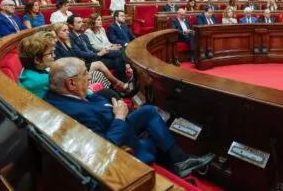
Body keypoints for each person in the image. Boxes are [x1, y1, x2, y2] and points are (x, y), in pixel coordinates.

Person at [44, 57, 214, 175]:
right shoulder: (74, 113)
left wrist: (112, 105)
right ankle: (173, 164)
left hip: (113, 121)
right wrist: (118, 116)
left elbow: (92, 97)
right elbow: (105, 147)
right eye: (84, 73)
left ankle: (180, 160)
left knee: (149, 111)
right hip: (121, 147)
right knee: (154, 138)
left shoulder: (61, 94)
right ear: (71, 83)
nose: (89, 76)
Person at [52, 22, 127, 91]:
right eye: (64, 30)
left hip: (78, 65)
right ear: (57, 32)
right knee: (100, 64)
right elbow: (62, 64)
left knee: (117, 55)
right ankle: (118, 83)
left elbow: (77, 55)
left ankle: (115, 87)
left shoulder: (66, 42)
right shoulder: (56, 46)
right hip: (71, 71)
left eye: (67, 30)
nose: (67, 32)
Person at [68, 14, 133, 83]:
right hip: (88, 61)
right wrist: (99, 54)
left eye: (82, 22)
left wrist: (111, 46)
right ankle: (123, 81)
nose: (82, 24)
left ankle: (120, 83)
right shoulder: (71, 37)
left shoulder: (83, 36)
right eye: (79, 22)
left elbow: (91, 49)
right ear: (71, 25)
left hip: (95, 56)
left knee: (119, 54)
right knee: (118, 56)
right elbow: (79, 53)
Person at [18, 31, 57, 98]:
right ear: (37, 60)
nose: (54, 55)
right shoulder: (43, 81)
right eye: (51, 53)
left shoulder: (29, 69)